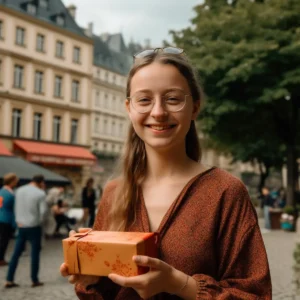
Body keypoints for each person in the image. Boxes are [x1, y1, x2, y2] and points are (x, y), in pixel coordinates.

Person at [60, 47, 272, 299]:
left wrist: (179, 284)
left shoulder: (225, 192)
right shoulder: (114, 192)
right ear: (129, 108)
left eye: (172, 99)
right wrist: (91, 277)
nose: (158, 112)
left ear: (194, 107)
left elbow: (255, 294)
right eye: (144, 99)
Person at [5, 174, 47, 288]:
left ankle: (9, 279)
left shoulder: (19, 190)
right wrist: (38, 222)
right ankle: (34, 280)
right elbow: (43, 212)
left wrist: (18, 220)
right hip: (34, 226)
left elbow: (15, 207)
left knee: (16, 253)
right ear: (41, 182)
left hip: (21, 225)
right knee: (35, 254)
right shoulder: (40, 193)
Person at [0, 173, 19, 266]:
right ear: (11, 181)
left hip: (1, 216)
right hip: (7, 219)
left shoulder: (2, 191)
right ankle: (1, 258)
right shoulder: (10, 194)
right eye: (15, 181)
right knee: (4, 240)